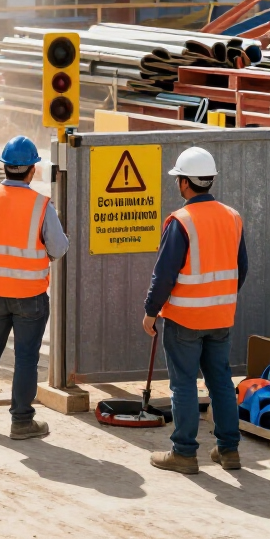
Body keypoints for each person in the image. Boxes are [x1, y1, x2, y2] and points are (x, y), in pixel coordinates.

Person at [144, 146, 247, 474]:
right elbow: (240, 268)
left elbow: (164, 275)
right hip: (220, 317)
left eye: (178, 179)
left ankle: (185, 454)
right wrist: (219, 299)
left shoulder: (181, 221)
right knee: (220, 381)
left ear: (185, 183)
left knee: (184, 384)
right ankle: (229, 451)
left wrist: (150, 310)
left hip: (185, 319)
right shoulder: (232, 216)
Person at [0, 135, 68, 439]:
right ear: (31, 170)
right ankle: (21, 421)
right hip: (30, 296)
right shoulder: (41, 205)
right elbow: (59, 248)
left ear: (6, 167)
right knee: (26, 357)